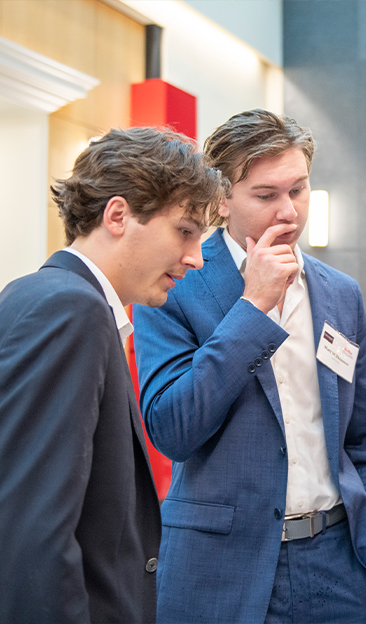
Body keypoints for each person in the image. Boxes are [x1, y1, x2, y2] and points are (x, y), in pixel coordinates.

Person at [134, 109, 366, 624]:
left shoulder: (340, 293)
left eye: (298, 190)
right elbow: (173, 430)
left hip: (337, 565)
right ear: (222, 200)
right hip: (219, 568)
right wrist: (252, 309)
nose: (289, 212)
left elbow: (365, 435)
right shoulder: (173, 283)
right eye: (265, 196)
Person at [0, 126, 222, 624]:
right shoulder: (71, 309)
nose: (195, 257)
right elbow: (34, 528)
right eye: (185, 230)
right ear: (118, 214)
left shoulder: (38, 295)